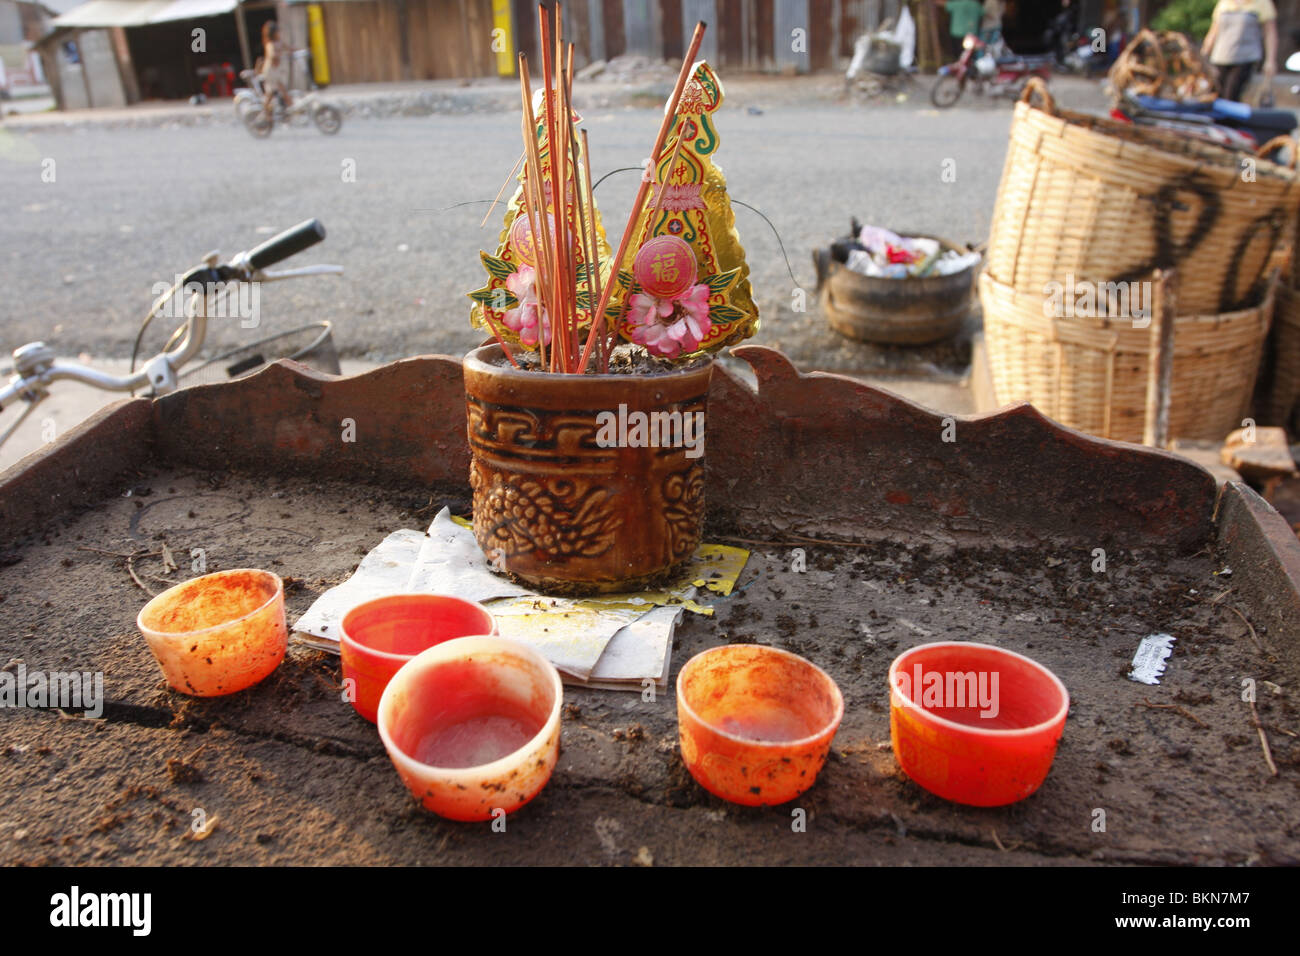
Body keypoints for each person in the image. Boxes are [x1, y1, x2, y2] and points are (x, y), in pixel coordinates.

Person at [1202, 0, 1278, 103]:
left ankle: (1230, 119)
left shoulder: (1261, 3)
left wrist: (1270, 60)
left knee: (1230, 97)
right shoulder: (1225, 3)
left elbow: (1270, 33)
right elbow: (1214, 32)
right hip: (1220, 57)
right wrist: (1203, 55)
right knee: (1214, 97)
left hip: (1245, 58)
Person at [259, 21, 291, 117]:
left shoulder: (279, 42)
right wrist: (280, 54)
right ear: (273, 34)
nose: (279, 34)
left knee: (279, 90)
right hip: (270, 71)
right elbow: (272, 55)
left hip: (276, 70)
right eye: (277, 32)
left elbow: (289, 48)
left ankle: (289, 108)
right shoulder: (270, 44)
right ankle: (265, 111)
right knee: (273, 91)